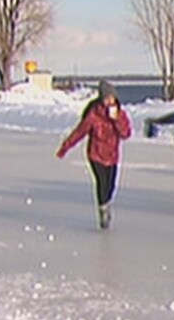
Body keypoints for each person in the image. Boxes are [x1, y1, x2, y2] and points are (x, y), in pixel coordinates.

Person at [56, 80, 132, 230]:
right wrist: (65, 147)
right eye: (106, 98)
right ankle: (103, 210)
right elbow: (79, 132)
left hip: (112, 156)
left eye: (112, 98)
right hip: (96, 154)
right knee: (101, 183)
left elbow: (126, 134)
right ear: (101, 99)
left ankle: (106, 204)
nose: (109, 101)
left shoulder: (120, 114)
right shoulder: (93, 115)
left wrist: (116, 120)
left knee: (111, 186)